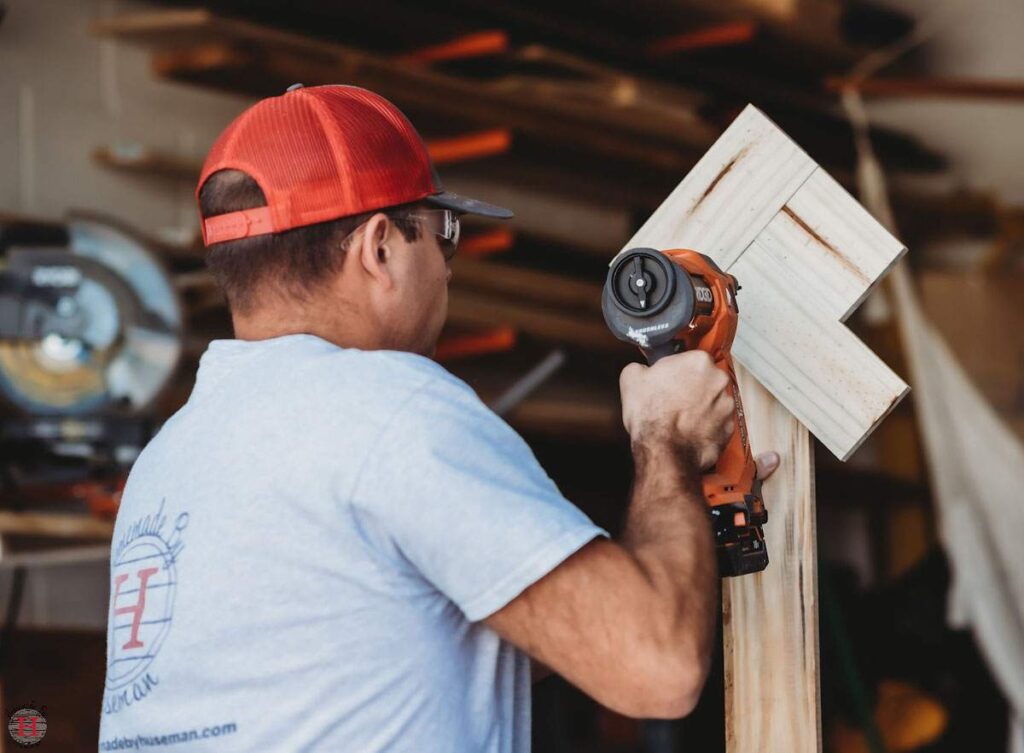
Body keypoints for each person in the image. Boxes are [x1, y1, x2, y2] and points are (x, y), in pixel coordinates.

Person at [99, 84, 779, 752]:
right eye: (445, 235)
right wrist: (669, 440)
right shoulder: (390, 407)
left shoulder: (169, 460)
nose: (449, 271)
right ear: (380, 248)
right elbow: (656, 669)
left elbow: (459, 641)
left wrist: (676, 540)